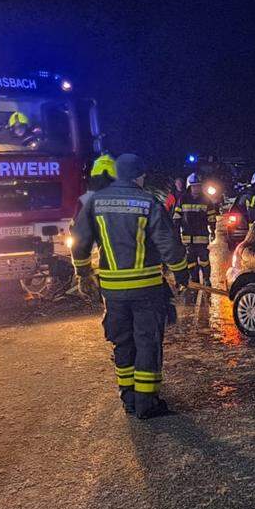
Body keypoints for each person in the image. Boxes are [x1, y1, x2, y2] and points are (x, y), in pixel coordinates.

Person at [71, 154, 189, 419]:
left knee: (122, 342)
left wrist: (83, 273)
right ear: (138, 176)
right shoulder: (148, 203)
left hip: (112, 291)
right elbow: (168, 245)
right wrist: (182, 274)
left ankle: (129, 398)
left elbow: (79, 243)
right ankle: (147, 403)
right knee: (147, 342)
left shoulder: (94, 202)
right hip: (147, 290)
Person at [172, 172, 218, 291]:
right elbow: (177, 216)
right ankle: (194, 279)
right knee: (191, 261)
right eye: (193, 186)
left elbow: (211, 217)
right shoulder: (182, 199)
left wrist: (213, 230)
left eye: (198, 185)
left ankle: (207, 279)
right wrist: (176, 233)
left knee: (204, 260)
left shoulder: (206, 200)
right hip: (187, 236)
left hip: (202, 236)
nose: (196, 188)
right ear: (189, 186)